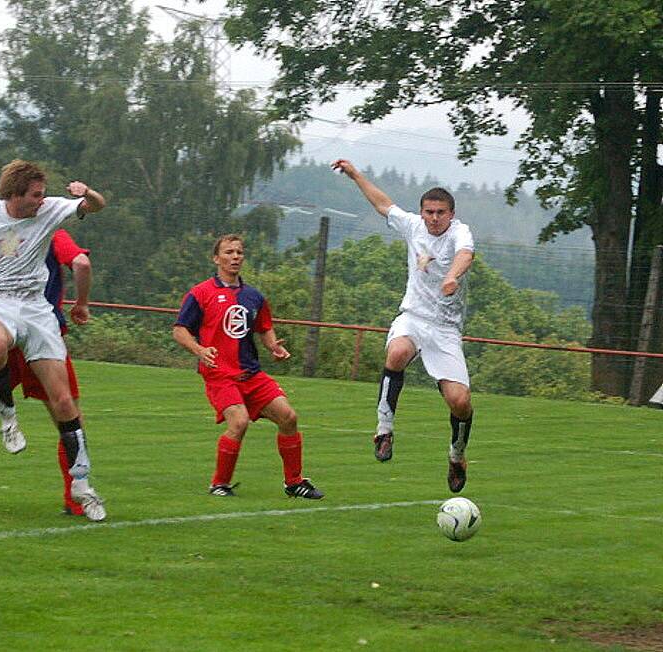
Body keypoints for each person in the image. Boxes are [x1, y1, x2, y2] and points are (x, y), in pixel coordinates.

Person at [0, 159, 107, 519]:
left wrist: (86, 192)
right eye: (35, 195)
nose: (42, 201)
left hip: (38, 312)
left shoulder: (49, 211)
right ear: (14, 195)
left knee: (64, 405)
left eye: (43, 195)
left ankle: (82, 486)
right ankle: (8, 417)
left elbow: (97, 206)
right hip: (1, 303)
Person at [332, 159, 475, 493]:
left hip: (444, 329)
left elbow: (465, 254)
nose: (434, 218)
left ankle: (457, 455)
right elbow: (383, 204)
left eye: (440, 212)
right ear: (422, 212)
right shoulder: (413, 226)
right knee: (396, 352)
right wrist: (355, 175)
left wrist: (452, 276)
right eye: (429, 211)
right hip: (413, 317)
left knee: (461, 402)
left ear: (451, 214)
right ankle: (384, 430)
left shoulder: (460, 232)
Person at [172, 234, 324, 499]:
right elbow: (180, 330)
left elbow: (264, 328)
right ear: (216, 258)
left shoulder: (253, 296)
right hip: (220, 376)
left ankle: (294, 482)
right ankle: (219, 484)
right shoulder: (201, 293)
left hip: (251, 375)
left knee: (289, 417)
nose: (235, 257)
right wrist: (199, 349)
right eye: (229, 252)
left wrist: (274, 346)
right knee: (239, 422)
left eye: (239, 252)